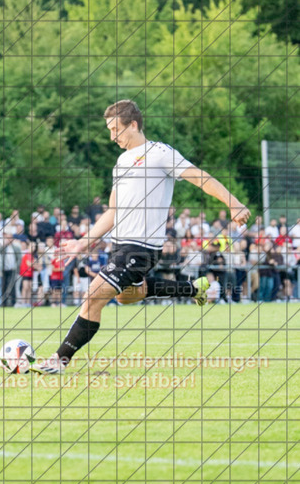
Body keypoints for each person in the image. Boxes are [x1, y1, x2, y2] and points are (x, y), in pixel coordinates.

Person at [31, 99, 250, 375]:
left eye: (116, 129)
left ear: (133, 125)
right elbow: (113, 211)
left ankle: (59, 360)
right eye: (109, 130)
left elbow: (200, 178)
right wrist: (82, 242)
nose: (112, 137)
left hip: (141, 248)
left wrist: (233, 203)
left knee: (93, 296)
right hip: (120, 246)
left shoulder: (160, 153)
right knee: (126, 297)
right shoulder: (121, 162)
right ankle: (193, 289)